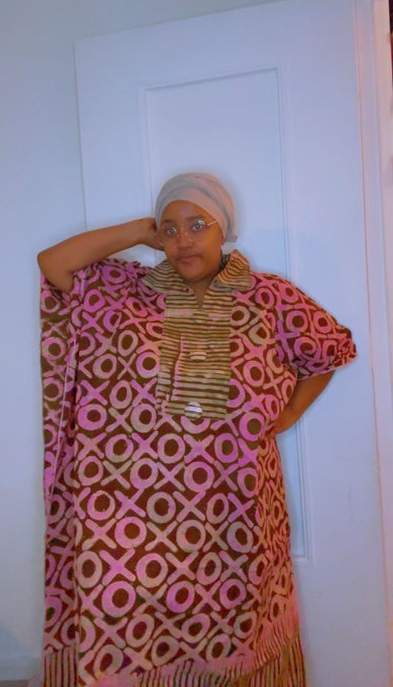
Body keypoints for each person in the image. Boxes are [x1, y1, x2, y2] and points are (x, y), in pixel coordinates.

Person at [37, 172, 356, 687]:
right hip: (134, 514)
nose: (183, 240)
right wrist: (139, 230)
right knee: (126, 617)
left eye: (197, 225)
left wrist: (291, 413)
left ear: (224, 228)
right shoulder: (126, 291)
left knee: (236, 624)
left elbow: (329, 350)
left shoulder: (270, 297)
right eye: (170, 229)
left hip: (234, 507)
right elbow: (54, 264)